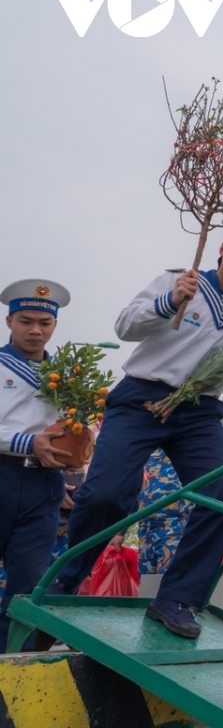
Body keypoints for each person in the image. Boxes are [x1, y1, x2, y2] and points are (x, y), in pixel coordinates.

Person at [48, 216, 223, 642]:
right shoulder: (179, 281)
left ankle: (176, 598)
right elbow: (125, 326)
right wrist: (169, 302)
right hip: (141, 398)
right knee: (107, 495)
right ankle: (65, 581)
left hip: (199, 413)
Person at [0, 279, 71, 653]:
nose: (35, 330)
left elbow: (75, 427)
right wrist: (28, 441)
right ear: (9, 321)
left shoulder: (71, 376)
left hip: (45, 484)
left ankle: (12, 679)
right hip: (3, 472)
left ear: (54, 325)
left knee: (27, 587)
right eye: (26, 320)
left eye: (44, 323)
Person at [137, 450, 193, 575]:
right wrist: (120, 533)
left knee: (169, 578)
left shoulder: (188, 451)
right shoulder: (146, 455)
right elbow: (134, 491)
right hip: (145, 527)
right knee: (146, 584)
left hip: (175, 526)